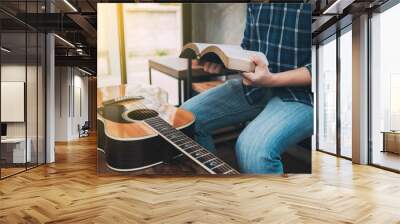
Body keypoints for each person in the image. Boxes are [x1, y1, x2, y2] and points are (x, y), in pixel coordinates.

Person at [181, 3, 313, 174]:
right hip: (257, 87)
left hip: (304, 95)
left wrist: (271, 80)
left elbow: (330, 64)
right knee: (187, 117)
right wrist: (224, 62)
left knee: (252, 149)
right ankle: (213, 189)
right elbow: (249, 48)